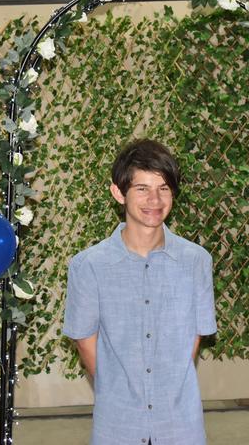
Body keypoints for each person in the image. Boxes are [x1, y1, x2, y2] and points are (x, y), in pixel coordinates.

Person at [62, 139, 217, 445]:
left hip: (180, 423)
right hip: (117, 423)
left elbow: (194, 338)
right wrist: (119, 389)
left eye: (163, 188)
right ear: (118, 193)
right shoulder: (88, 266)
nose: (154, 200)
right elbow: (84, 340)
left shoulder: (196, 261)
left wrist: (165, 389)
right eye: (142, 188)